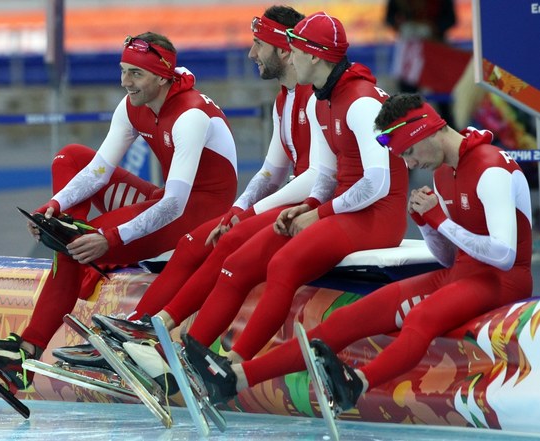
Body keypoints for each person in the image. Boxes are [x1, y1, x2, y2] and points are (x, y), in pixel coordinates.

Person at [184, 93, 533, 410]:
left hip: (502, 280)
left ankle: (358, 383)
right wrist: (427, 225)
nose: (409, 165)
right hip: (460, 273)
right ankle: (236, 378)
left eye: (408, 153)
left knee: (421, 318)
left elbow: (502, 255)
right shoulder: (444, 174)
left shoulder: (490, 169)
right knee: (348, 319)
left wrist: (439, 220)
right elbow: (447, 257)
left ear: (426, 133)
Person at [0, 31, 239, 391]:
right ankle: (63, 233)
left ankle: (27, 350)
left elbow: (175, 203)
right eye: (123, 71)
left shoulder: (190, 115)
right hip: (166, 200)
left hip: (196, 214)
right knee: (72, 157)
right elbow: (98, 170)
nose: (126, 82)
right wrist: (56, 206)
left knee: (72, 246)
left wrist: (108, 239)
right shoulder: (133, 105)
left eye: (136, 74)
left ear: (161, 76)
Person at [174, 11, 408, 371]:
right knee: (239, 262)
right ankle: (191, 354)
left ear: (314, 56)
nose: (290, 54)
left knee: (283, 263)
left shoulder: (362, 102)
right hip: (342, 206)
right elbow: (327, 174)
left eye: (295, 47)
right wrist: (308, 206)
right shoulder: (320, 99)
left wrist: (319, 213)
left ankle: (234, 367)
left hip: (377, 213)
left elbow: (378, 184)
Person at [91, 5, 328, 341]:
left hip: (314, 206)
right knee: (193, 243)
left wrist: (249, 213)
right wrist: (239, 208)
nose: (251, 53)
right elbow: (271, 172)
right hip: (299, 203)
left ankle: (154, 338)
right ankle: (142, 329)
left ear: (283, 50)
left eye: (258, 44)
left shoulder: (316, 98)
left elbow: (319, 177)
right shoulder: (284, 99)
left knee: (228, 250)